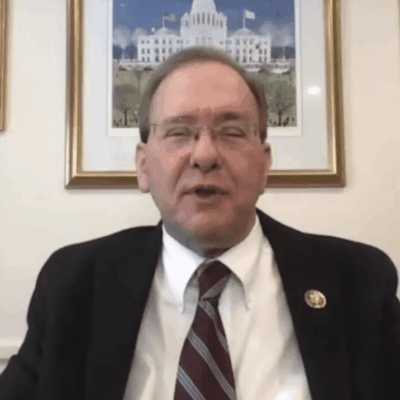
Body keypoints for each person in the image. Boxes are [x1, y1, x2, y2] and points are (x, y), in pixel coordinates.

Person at [0, 46, 399, 400]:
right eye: (178, 132)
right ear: (143, 167)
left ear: (265, 166)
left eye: (231, 131)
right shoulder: (74, 282)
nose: (205, 155)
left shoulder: (357, 281)